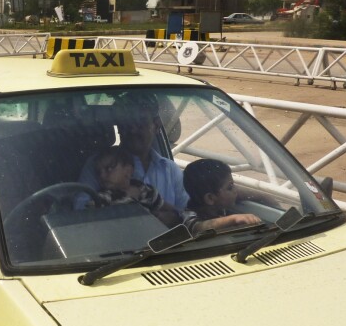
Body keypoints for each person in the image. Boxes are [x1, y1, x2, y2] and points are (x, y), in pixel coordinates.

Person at [79, 94, 188, 226]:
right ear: (118, 128)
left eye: (140, 122)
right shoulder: (96, 165)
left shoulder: (170, 169)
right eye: (125, 124)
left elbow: (186, 214)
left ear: (157, 125)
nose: (132, 129)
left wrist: (173, 218)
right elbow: (80, 217)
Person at [181, 158, 263, 234]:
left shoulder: (218, 204)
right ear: (210, 198)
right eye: (230, 187)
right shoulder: (188, 215)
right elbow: (197, 228)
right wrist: (233, 219)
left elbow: (243, 193)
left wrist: (262, 197)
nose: (235, 190)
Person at [91, 146, 160, 209]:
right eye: (98, 172)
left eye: (109, 169)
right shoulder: (104, 197)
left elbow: (167, 209)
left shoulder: (146, 190)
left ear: (128, 171)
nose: (102, 176)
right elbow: (90, 213)